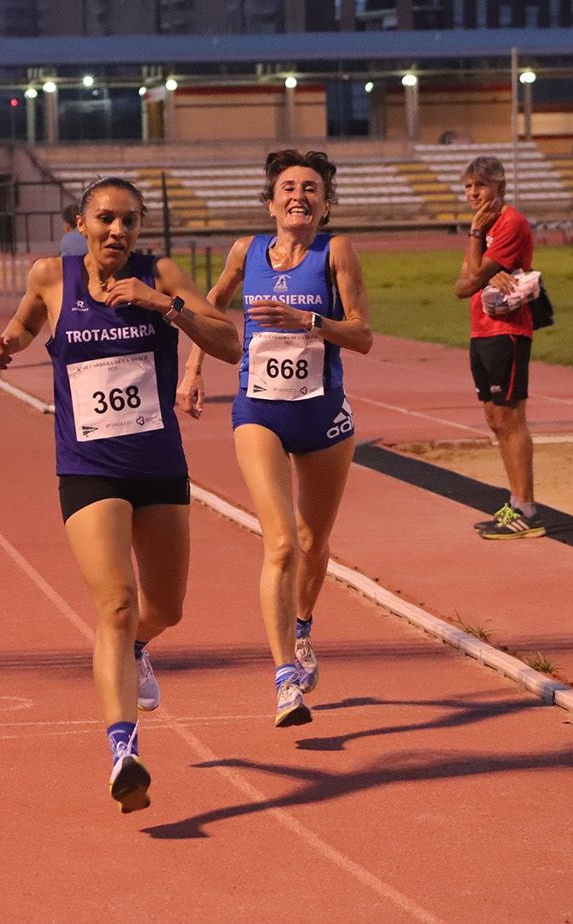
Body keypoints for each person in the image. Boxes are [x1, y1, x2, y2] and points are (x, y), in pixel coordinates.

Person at [0, 177, 240, 813]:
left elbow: (231, 345)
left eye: (128, 221)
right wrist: (5, 346)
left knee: (165, 609)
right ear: (82, 223)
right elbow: (21, 327)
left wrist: (163, 304)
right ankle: (124, 750)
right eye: (105, 220)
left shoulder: (162, 274)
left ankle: (141, 649)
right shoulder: (51, 275)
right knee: (117, 605)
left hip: (158, 466)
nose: (116, 231)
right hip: (88, 465)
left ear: (141, 229)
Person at [177, 149, 373, 728]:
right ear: (270, 203)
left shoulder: (335, 252)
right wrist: (193, 370)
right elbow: (210, 308)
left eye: (311, 188)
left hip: (323, 419)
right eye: (289, 187)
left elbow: (362, 335)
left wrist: (309, 322)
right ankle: (285, 674)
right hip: (259, 412)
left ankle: (304, 625)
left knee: (314, 544)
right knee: (281, 542)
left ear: (326, 204)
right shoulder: (246, 251)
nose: (300, 196)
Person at [454, 155, 543, 540]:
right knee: (494, 420)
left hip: (506, 331)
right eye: (469, 186)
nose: (473, 193)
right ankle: (515, 502)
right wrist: (479, 269)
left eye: (481, 186)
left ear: (499, 186)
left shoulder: (508, 223)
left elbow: (471, 278)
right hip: (482, 331)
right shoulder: (486, 227)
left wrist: (476, 237)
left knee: (510, 419)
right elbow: (462, 285)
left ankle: (526, 509)